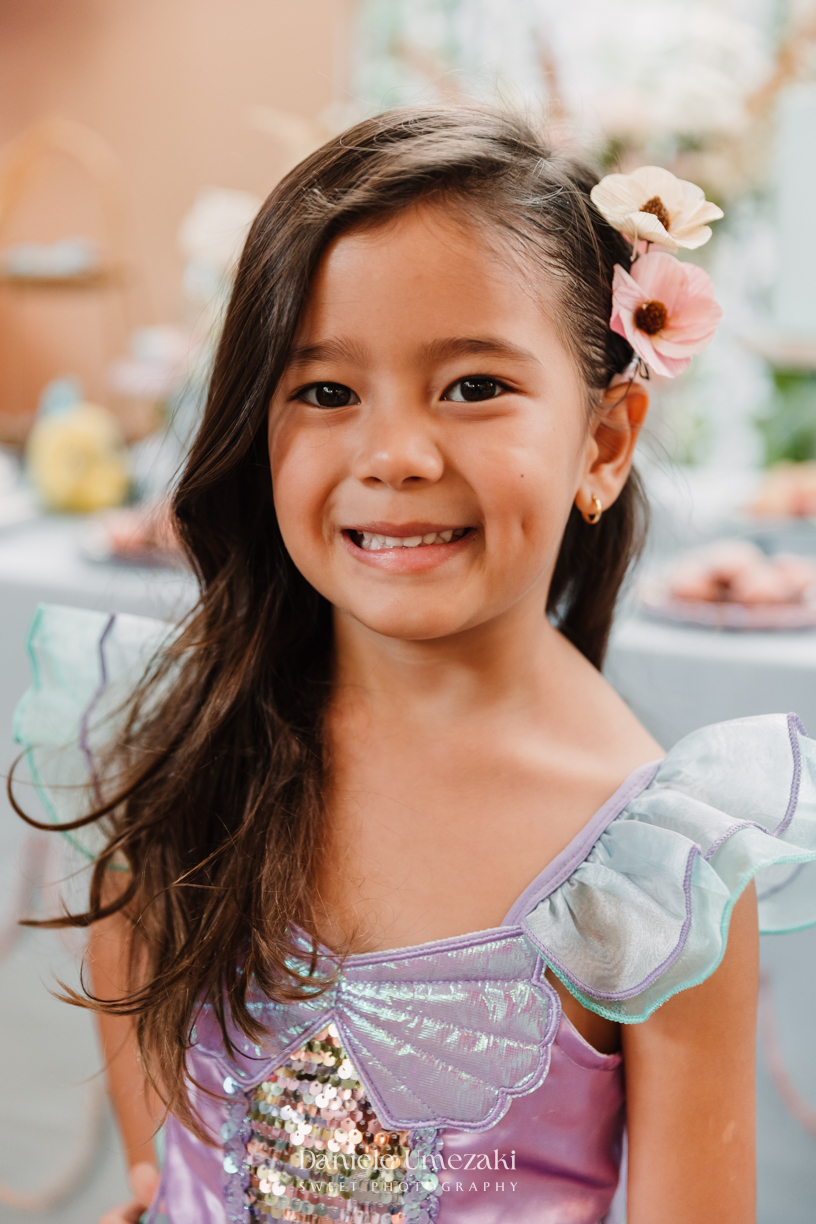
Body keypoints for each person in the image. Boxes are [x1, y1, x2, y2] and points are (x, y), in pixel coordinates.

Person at [11, 106, 816, 1224]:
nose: (395, 455)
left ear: (605, 441)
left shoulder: (657, 872)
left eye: (474, 386)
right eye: (328, 392)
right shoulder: (184, 738)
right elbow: (157, 1089)